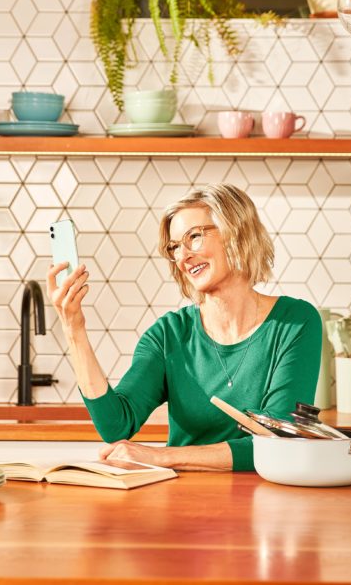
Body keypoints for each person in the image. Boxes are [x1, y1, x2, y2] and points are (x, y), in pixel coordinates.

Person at [46, 183, 322, 471]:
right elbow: (116, 425)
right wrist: (73, 328)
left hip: (266, 501)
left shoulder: (295, 322)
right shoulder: (168, 335)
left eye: (194, 237)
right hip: (182, 501)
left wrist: (162, 456)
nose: (182, 256)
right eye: (175, 247)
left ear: (236, 234)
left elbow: (280, 440)